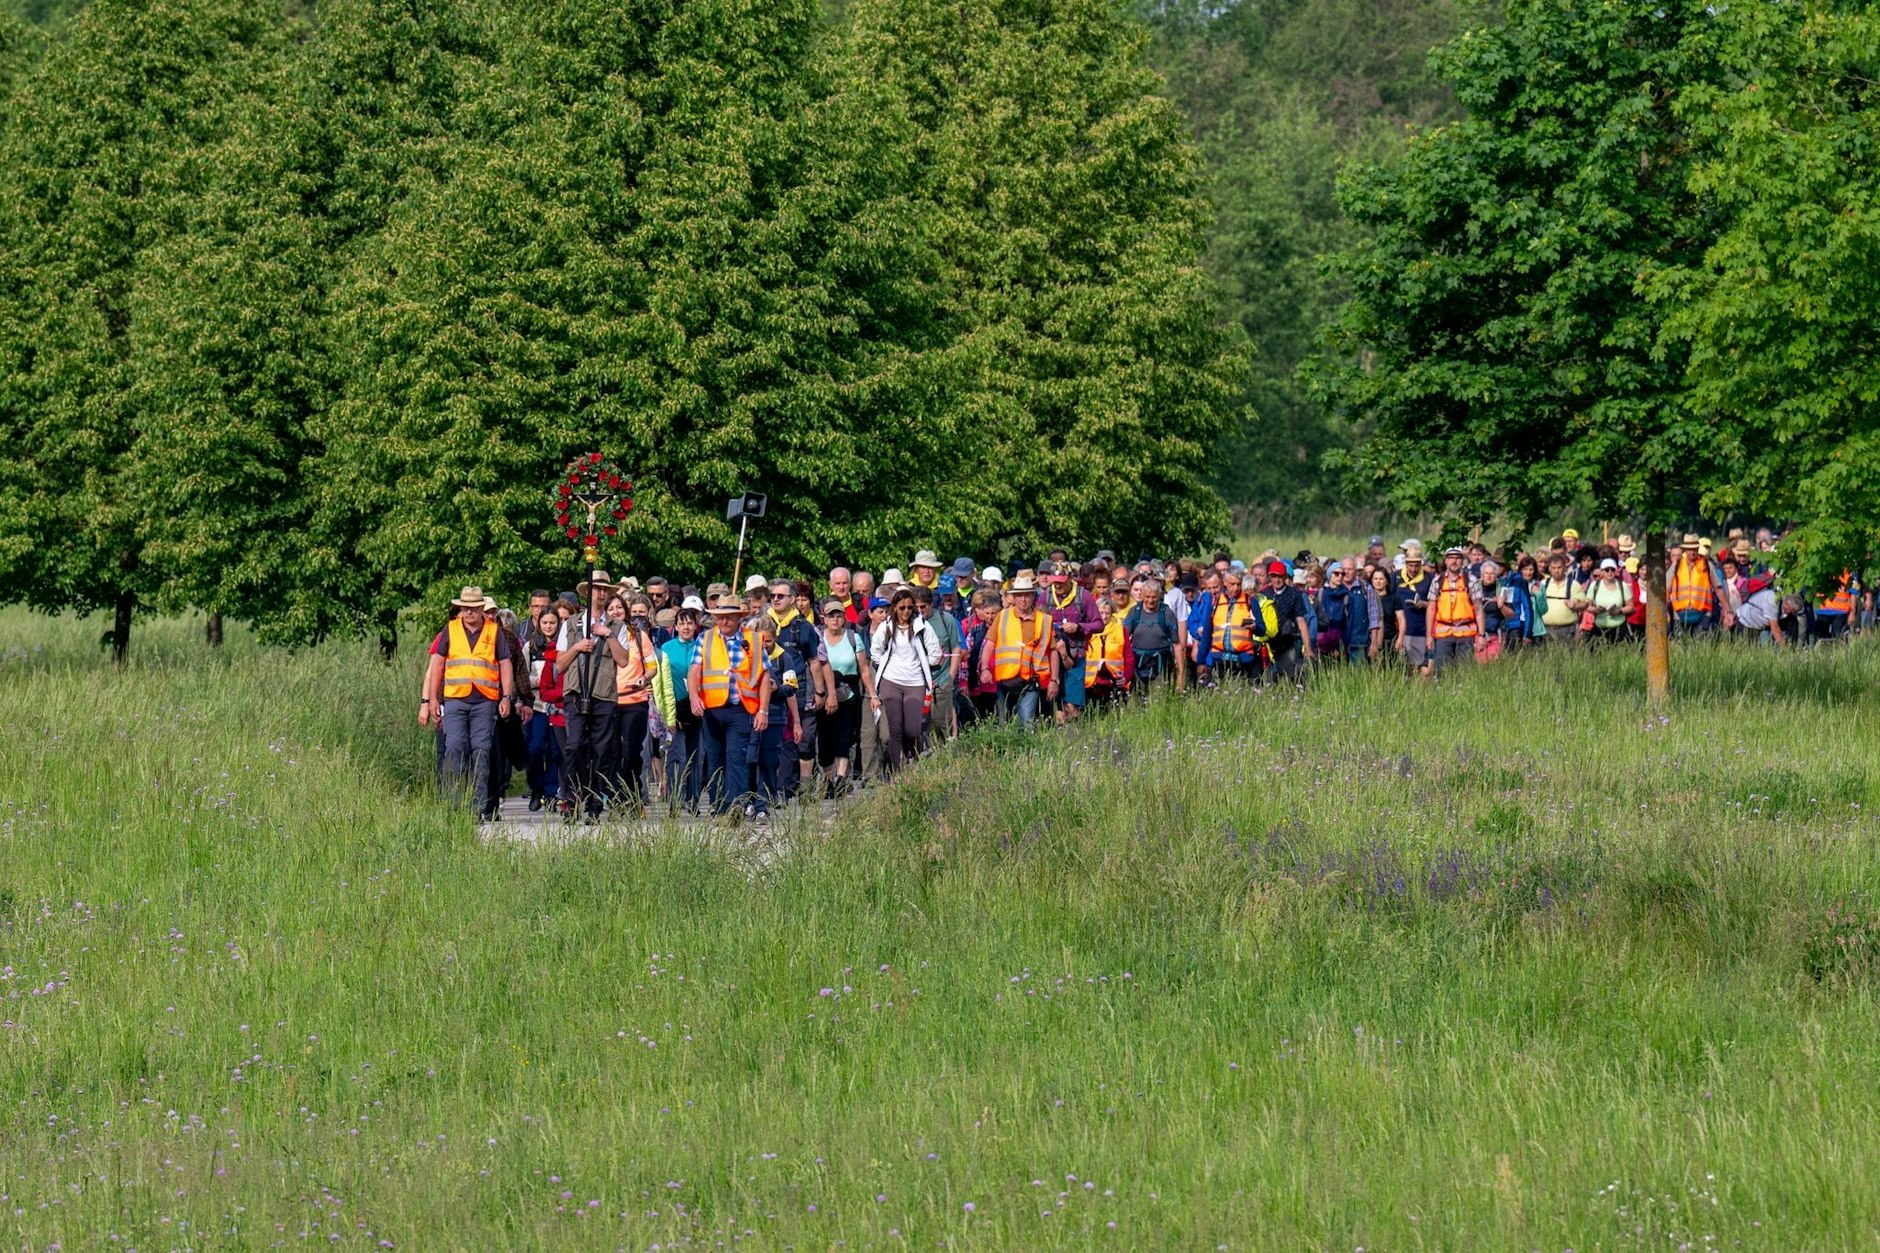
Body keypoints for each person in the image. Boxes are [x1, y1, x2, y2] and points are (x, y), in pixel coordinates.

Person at [420, 586, 517, 819]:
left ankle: (476, 808)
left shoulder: (494, 632)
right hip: (455, 700)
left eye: (473, 608)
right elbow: (437, 665)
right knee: (454, 748)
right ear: (460, 608)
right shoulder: (450, 630)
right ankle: (453, 806)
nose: (469, 612)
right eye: (465, 608)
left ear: (481, 608)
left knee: (481, 752)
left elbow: (505, 664)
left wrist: (506, 697)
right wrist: (432, 700)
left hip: (484, 701)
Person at [557, 573, 632, 820]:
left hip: (604, 695)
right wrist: (577, 647)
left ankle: (596, 803)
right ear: (586, 593)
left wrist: (607, 635)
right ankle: (571, 799)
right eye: (595, 589)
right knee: (574, 745)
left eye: (603, 590)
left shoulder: (618, 626)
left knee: (602, 750)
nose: (599, 594)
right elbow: (560, 664)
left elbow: (622, 661)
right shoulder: (571, 624)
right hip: (576, 692)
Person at [690, 604, 771, 818]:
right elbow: (694, 670)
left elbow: (764, 677)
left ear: (738, 618)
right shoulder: (705, 639)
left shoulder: (753, 640)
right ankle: (719, 806)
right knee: (715, 758)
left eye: (729, 617)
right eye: (720, 617)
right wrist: (694, 696)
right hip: (712, 709)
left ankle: (736, 805)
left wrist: (763, 710)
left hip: (741, 708)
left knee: (737, 757)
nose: (724, 621)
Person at [870, 587, 941, 773]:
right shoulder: (886, 627)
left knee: (912, 729)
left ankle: (914, 760)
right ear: (894, 608)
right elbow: (875, 651)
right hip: (891, 681)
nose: (906, 612)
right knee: (895, 729)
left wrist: (925, 664)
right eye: (902, 608)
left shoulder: (922, 626)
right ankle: (897, 773)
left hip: (915, 682)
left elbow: (936, 653)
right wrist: (885, 666)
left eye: (910, 608)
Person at [812, 598, 875, 796]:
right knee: (824, 739)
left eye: (839, 615)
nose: (835, 619)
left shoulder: (853, 638)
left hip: (848, 692)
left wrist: (872, 694)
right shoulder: (818, 638)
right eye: (831, 615)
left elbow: (864, 669)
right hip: (824, 692)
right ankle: (829, 779)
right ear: (824, 618)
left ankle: (840, 779)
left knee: (844, 736)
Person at [980, 572, 1056, 725]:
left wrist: (1054, 680)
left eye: (1026, 595)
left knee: (1026, 724)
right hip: (1004, 680)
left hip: (1030, 681)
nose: (1023, 599)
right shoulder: (1003, 616)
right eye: (1019, 595)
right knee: (1003, 724)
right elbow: (989, 643)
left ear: (1033, 596)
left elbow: (1052, 651)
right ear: (1014, 597)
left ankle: (1027, 750)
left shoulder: (1044, 620)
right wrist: (985, 668)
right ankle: (1007, 750)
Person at [768, 579, 821, 799]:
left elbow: (814, 661)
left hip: (795, 688)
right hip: (766, 688)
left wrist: (820, 692)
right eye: (773, 596)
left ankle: (786, 787)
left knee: (793, 739)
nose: (776, 599)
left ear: (792, 599)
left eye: (781, 596)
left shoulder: (802, 627)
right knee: (772, 738)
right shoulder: (762, 624)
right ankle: (772, 786)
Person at [652, 597, 705, 815]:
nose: (686, 627)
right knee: (676, 756)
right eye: (682, 623)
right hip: (674, 710)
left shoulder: (702, 647)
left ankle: (693, 800)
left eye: (689, 623)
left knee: (696, 756)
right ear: (675, 627)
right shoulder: (666, 648)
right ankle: (674, 799)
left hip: (698, 708)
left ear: (695, 625)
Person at [749, 615, 801, 820]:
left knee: (769, 761)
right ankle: (750, 799)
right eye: (760, 641)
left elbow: (792, 687)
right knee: (750, 759)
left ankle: (763, 803)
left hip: (775, 717)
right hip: (752, 715)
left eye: (768, 641)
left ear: (775, 638)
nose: (764, 645)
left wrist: (777, 688)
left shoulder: (784, 658)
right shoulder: (749, 657)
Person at [1041, 560, 1104, 720]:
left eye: (1061, 582)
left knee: (1072, 707)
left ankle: (1076, 737)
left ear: (1070, 578)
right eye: (1055, 582)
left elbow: (1098, 624)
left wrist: (1079, 626)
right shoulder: (1044, 597)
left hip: (1076, 656)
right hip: (1052, 657)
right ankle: (1058, 739)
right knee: (1056, 707)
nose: (1057, 586)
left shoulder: (1084, 596)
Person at [1191, 567, 1265, 683]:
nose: (1235, 588)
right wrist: (1201, 661)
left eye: (1238, 584)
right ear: (1225, 583)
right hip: (1220, 660)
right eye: (1232, 584)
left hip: (1243, 660)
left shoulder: (1251, 602)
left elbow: (1262, 629)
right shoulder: (1215, 603)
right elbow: (1207, 634)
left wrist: (1255, 627)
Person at [523, 603, 564, 811]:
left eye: (552, 623)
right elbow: (521, 677)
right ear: (539, 624)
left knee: (556, 751)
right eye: (545, 623)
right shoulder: (530, 647)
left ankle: (551, 792)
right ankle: (535, 788)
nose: (548, 626)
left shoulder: (563, 646)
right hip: (537, 705)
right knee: (536, 748)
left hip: (558, 706)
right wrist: (536, 682)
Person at [915, 585, 963, 743]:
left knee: (941, 721)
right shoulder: (910, 622)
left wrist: (951, 674)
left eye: (923, 606)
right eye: (916, 607)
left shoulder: (945, 619)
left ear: (931, 604)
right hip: (918, 680)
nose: (920, 610)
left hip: (942, 678)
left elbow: (956, 646)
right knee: (920, 723)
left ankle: (945, 752)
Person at [1426, 547, 1483, 673]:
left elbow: (1478, 609)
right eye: (1451, 558)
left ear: (1462, 561)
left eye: (1457, 558)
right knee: (1441, 671)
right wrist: (1429, 635)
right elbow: (1431, 609)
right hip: (1443, 633)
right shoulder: (1437, 581)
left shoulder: (1471, 581)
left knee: (1465, 672)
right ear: (1445, 561)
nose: (1454, 561)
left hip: (1466, 632)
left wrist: (1481, 635)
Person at [1083, 578, 1136, 708]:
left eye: (1108, 613)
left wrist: (1126, 677)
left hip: (1115, 682)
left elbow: (1128, 657)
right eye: (1101, 613)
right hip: (1091, 683)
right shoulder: (1088, 630)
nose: (1104, 616)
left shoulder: (1120, 630)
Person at [1668, 533, 1732, 635]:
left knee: (1701, 646)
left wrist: (1728, 612)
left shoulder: (1707, 564)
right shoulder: (1676, 565)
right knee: (1680, 647)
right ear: (1684, 550)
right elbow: (1666, 589)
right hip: (1679, 615)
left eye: (1695, 549)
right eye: (1689, 549)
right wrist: (1665, 611)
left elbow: (1718, 589)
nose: (1692, 552)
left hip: (1703, 614)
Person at [1262, 560, 1313, 682]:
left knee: (1289, 674)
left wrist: (1308, 647)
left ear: (1285, 576)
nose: (1277, 580)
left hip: (1288, 641)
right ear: (1269, 577)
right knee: (1268, 676)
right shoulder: (1264, 594)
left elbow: (1301, 621)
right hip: (1268, 641)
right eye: (1274, 576)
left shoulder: (1294, 594)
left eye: (1280, 576)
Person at [1586, 558, 1634, 644]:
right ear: (1602, 572)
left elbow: (1630, 606)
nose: (1610, 572)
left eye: (1612, 569)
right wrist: (1595, 610)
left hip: (1619, 629)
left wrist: (1619, 611)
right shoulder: (1594, 586)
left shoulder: (1622, 585)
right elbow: (1587, 605)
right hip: (1599, 628)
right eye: (1607, 570)